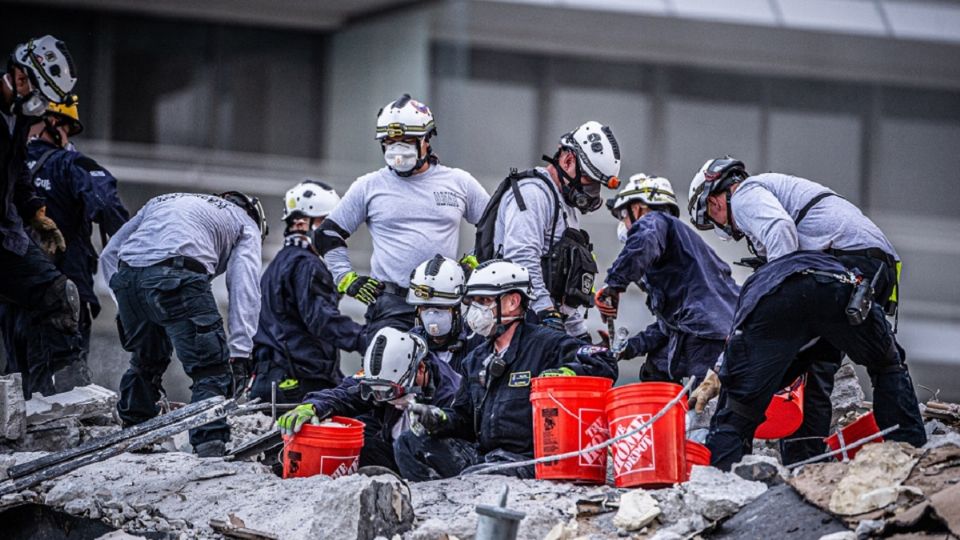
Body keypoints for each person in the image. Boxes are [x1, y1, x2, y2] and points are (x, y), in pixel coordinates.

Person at [686, 158, 926, 470]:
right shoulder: (797, 200)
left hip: (826, 275)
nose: (722, 225)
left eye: (711, 215)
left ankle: (720, 474)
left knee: (743, 393)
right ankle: (900, 456)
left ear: (715, 197)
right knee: (854, 365)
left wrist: (725, 366)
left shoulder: (745, 193)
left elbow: (780, 232)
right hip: (864, 279)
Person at [393, 259, 619, 480]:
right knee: (408, 443)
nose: (475, 310)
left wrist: (563, 375)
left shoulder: (545, 344)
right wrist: (439, 418)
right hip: (485, 457)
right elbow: (464, 419)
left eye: (484, 300)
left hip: (527, 460)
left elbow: (604, 361)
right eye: (473, 302)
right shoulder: (475, 359)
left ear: (512, 301)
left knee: (479, 476)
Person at [100, 191, 267, 457]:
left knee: (146, 359)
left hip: (128, 278)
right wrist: (240, 351)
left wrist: (126, 305)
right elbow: (244, 286)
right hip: (180, 275)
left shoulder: (160, 200)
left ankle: (135, 430)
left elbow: (109, 254)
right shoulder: (245, 223)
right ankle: (209, 444)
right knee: (210, 369)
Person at [313, 94, 489, 339]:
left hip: (446, 303)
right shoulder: (369, 186)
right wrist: (347, 279)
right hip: (391, 304)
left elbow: (495, 226)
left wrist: (475, 263)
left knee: (451, 374)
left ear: (427, 140)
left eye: (406, 140)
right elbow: (326, 234)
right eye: (389, 141)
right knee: (387, 372)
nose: (398, 150)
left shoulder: (459, 182)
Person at [0, 95, 129, 393]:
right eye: (67, 130)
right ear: (55, 124)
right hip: (64, 295)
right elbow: (109, 208)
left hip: (13, 298)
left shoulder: (10, 166)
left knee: (17, 388)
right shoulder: (72, 164)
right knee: (64, 391)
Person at [473, 121, 621, 338]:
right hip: (517, 329)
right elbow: (521, 258)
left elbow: (563, 288)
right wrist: (546, 312)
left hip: (542, 328)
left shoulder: (565, 206)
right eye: (589, 180)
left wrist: (580, 336)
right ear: (568, 160)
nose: (591, 192)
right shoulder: (534, 194)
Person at [593, 174, 739, 386]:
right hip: (709, 332)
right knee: (655, 371)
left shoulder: (654, 221)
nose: (625, 222)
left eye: (624, 214)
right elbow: (666, 327)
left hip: (706, 337)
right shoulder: (685, 261)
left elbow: (642, 242)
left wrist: (613, 284)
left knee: (704, 407)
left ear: (639, 208)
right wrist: (627, 348)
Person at [1, 35, 81, 398]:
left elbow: (16, 173)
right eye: (40, 97)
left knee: (56, 294)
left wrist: (35, 212)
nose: (42, 108)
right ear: (20, 79)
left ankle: (52, 401)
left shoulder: (14, 119)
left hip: (7, 236)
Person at [277, 327, 461, 473]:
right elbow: (346, 392)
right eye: (376, 391)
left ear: (420, 369)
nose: (382, 398)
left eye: (389, 391)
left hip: (426, 460)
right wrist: (315, 406)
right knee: (359, 437)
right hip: (390, 442)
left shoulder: (450, 394)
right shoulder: (383, 374)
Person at [250, 180, 364, 404]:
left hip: (275, 377)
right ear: (302, 223)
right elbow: (321, 320)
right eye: (327, 223)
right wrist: (367, 339)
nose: (334, 233)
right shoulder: (307, 265)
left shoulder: (279, 264)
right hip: (298, 382)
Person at [406, 253, 479, 375]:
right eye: (425, 307)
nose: (432, 315)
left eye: (440, 307)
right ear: (417, 310)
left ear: (457, 307)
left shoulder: (477, 342)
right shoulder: (409, 346)